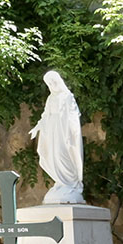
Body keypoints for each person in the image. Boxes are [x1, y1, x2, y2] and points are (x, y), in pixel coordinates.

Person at [29, 70, 85, 204]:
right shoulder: (51, 98)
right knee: (52, 155)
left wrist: (70, 131)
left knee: (62, 155)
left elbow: (72, 117)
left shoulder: (67, 96)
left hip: (64, 131)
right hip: (52, 131)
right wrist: (37, 128)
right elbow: (45, 115)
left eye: (54, 81)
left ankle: (70, 183)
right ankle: (60, 182)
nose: (52, 84)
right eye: (49, 83)